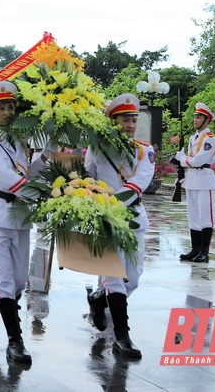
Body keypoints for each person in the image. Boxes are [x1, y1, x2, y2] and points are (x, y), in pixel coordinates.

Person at [0, 82, 48, 365]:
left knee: (18, 282)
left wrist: (49, 151)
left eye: (11, 106)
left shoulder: (19, 140)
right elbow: (6, 177)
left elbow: (29, 171)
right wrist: (45, 196)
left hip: (20, 215)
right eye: (1, 106)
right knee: (5, 279)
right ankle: (15, 341)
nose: (7, 111)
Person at [85, 93, 154, 359]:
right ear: (113, 120)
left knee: (132, 278)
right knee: (115, 279)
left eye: (134, 120)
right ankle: (122, 337)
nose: (131, 125)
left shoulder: (143, 149)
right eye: (126, 119)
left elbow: (139, 183)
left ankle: (98, 299)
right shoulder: (97, 148)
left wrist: (115, 202)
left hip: (133, 217)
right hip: (106, 221)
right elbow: (87, 177)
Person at [177, 102, 215, 263]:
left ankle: (204, 251)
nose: (195, 119)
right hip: (191, 179)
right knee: (193, 216)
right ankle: (195, 249)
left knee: (206, 217)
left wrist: (182, 159)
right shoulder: (193, 137)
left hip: (204, 179)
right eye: (195, 116)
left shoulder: (209, 139)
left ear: (207, 120)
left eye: (199, 117)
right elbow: (192, 160)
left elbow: (197, 161)